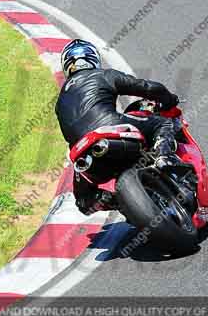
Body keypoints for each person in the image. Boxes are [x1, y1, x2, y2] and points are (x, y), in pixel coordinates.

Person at [56, 39, 180, 214]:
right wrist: (169, 99)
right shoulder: (103, 75)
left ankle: (124, 205)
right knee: (162, 123)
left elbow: (69, 136)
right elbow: (146, 87)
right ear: (93, 59)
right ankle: (163, 157)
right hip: (112, 131)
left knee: (85, 201)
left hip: (86, 156)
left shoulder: (60, 102)